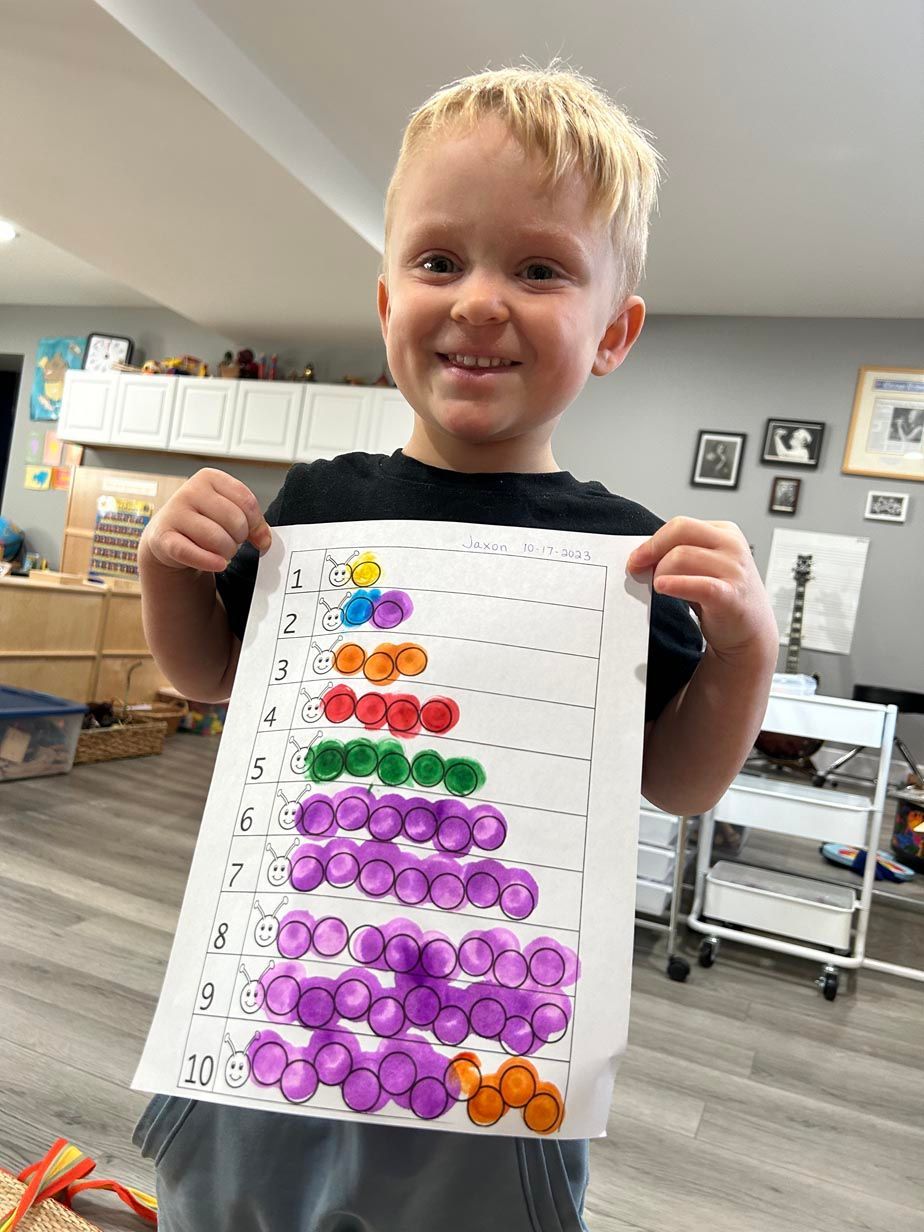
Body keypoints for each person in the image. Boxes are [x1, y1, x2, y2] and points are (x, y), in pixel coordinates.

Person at [135, 63, 778, 1232]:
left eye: (540, 268)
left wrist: (745, 653)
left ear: (614, 331)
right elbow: (205, 676)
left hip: (491, 1074)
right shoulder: (319, 505)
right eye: (440, 261)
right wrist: (165, 569)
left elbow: (681, 780)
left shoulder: (626, 558)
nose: (481, 299)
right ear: (386, 302)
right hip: (267, 1025)